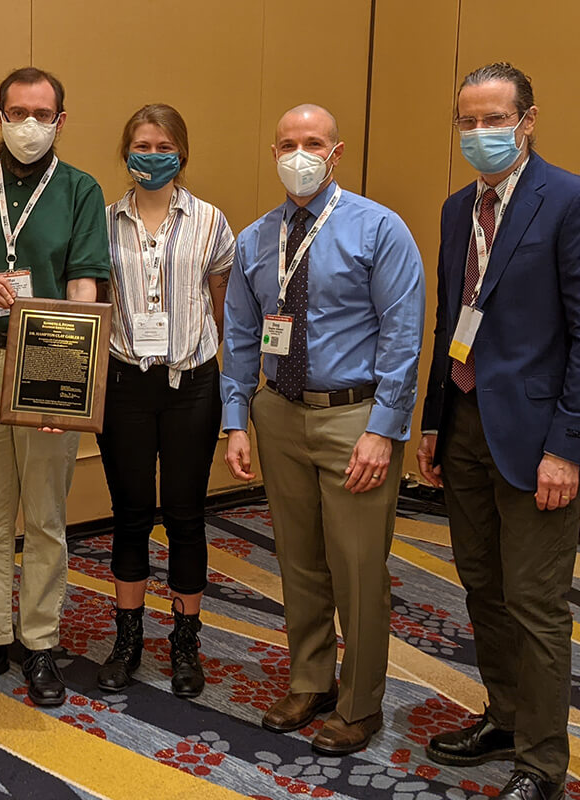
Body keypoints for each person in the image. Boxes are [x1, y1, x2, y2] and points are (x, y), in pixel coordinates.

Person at [418, 63, 580, 800]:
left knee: (536, 604)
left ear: (528, 120)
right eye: (467, 122)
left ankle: (540, 761)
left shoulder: (575, 202)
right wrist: (435, 420)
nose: (480, 135)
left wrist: (568, 446)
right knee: (482, 588)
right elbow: (452, 322)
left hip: (540, 440)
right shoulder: (454, 211)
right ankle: (503, 716)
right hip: (467, 423)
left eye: (494, 120)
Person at [221, 104, 424, 755]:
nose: (298, 154)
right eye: (287, 143)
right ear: (274, 152)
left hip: (354, 418)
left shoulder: (378, 229)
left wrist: (384, 429)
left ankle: (361, 703)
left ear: (335, 153)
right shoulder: (255, 239)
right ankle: (312, 680)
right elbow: (240, 337)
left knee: (359, 566)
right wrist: (237, 421)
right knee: (299, 559)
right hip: (278, 413)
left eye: (312, 143)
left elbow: (402, 336)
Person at [0, 67, 110, 706]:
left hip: (48, 361)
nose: (28, 125)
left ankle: (40, 644)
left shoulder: (81, 190)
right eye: (17, 112)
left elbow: (86, 285)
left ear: (61, 121)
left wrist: (73, 382)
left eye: (41, 114)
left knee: (45, 517)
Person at [93, 104, 234, 697]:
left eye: (163, 144)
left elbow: (222, 304)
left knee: (183, 514)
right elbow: (93, 305)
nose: (151, 154)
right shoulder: (100, 222)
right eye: (141, 144)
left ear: (182, 152)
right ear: (125, 152)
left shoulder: (211, 221)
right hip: (124, 383)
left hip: (191, 384)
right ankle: (128, 637)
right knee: (129, 515)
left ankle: (185, 640)